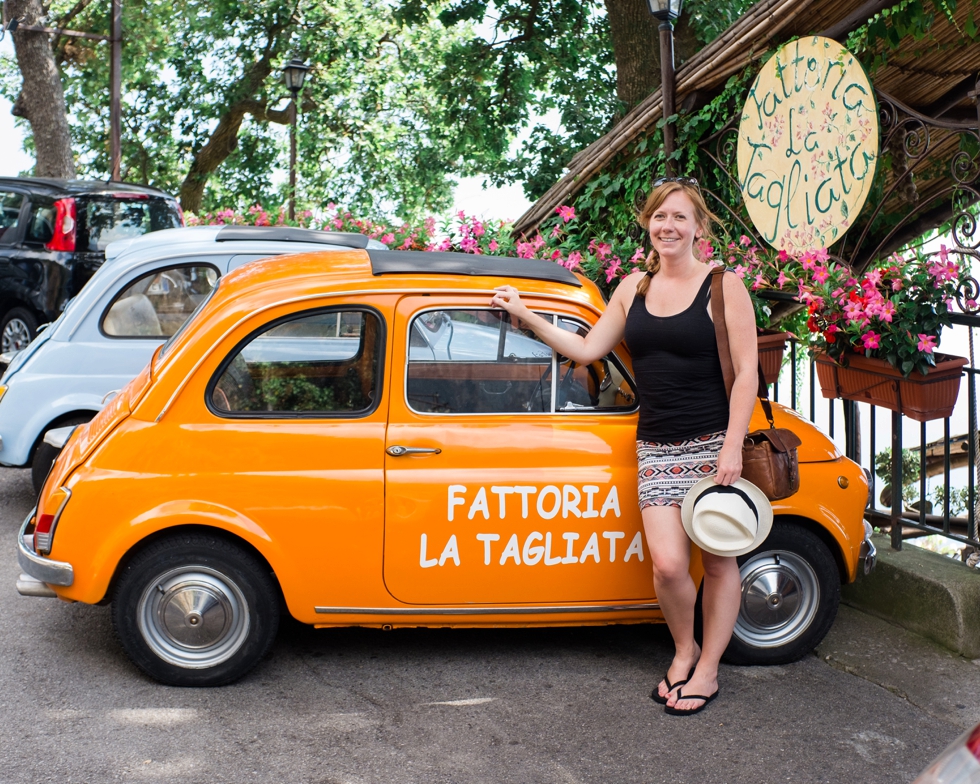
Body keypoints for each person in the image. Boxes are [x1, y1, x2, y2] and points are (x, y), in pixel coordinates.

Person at [489, 179, 758, 715]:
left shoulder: (724, 286)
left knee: (722, 564)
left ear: (698, 228)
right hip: (656, 444)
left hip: (711, 446)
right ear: (649, 226)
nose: (669, 227)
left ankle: (707, 672)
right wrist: (526, 315)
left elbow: (748, 372)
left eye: (680, 218)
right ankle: (686, 649)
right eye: (660, 217)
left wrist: (731, 448)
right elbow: (588, 349)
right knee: (667, 566)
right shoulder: (634, 287)